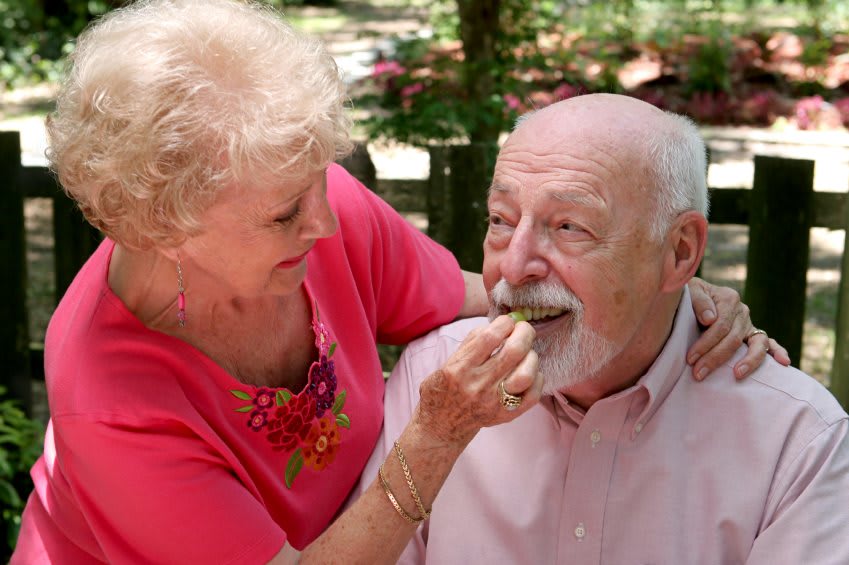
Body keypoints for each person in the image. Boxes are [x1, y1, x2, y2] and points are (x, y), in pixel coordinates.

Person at [11, 0, 781, 562]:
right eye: (283, 214)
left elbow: (488, 290)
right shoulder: (111, 400)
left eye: (320, 180)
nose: (324, 221)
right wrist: (438, 434)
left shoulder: (321, 209)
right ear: (167, 228)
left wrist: (667, 288)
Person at [362, 94, 849, 565]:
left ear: (679, 252)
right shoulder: (434, 383)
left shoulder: (797, 443)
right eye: (500, 219)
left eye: (570, 227)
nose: (513, 267)